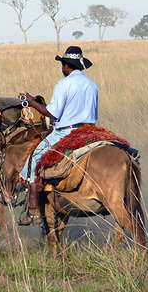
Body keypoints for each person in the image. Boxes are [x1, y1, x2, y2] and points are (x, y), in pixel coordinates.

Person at [18, 46, 98, 226]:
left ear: (66, 66)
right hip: (90, 130)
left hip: (68, 132)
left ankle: (33, 212)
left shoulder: (64, 84)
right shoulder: (92, 85)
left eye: (62, 64)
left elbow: (52, 114)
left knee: (32, 162)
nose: (62, 68)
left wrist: (31, 102)